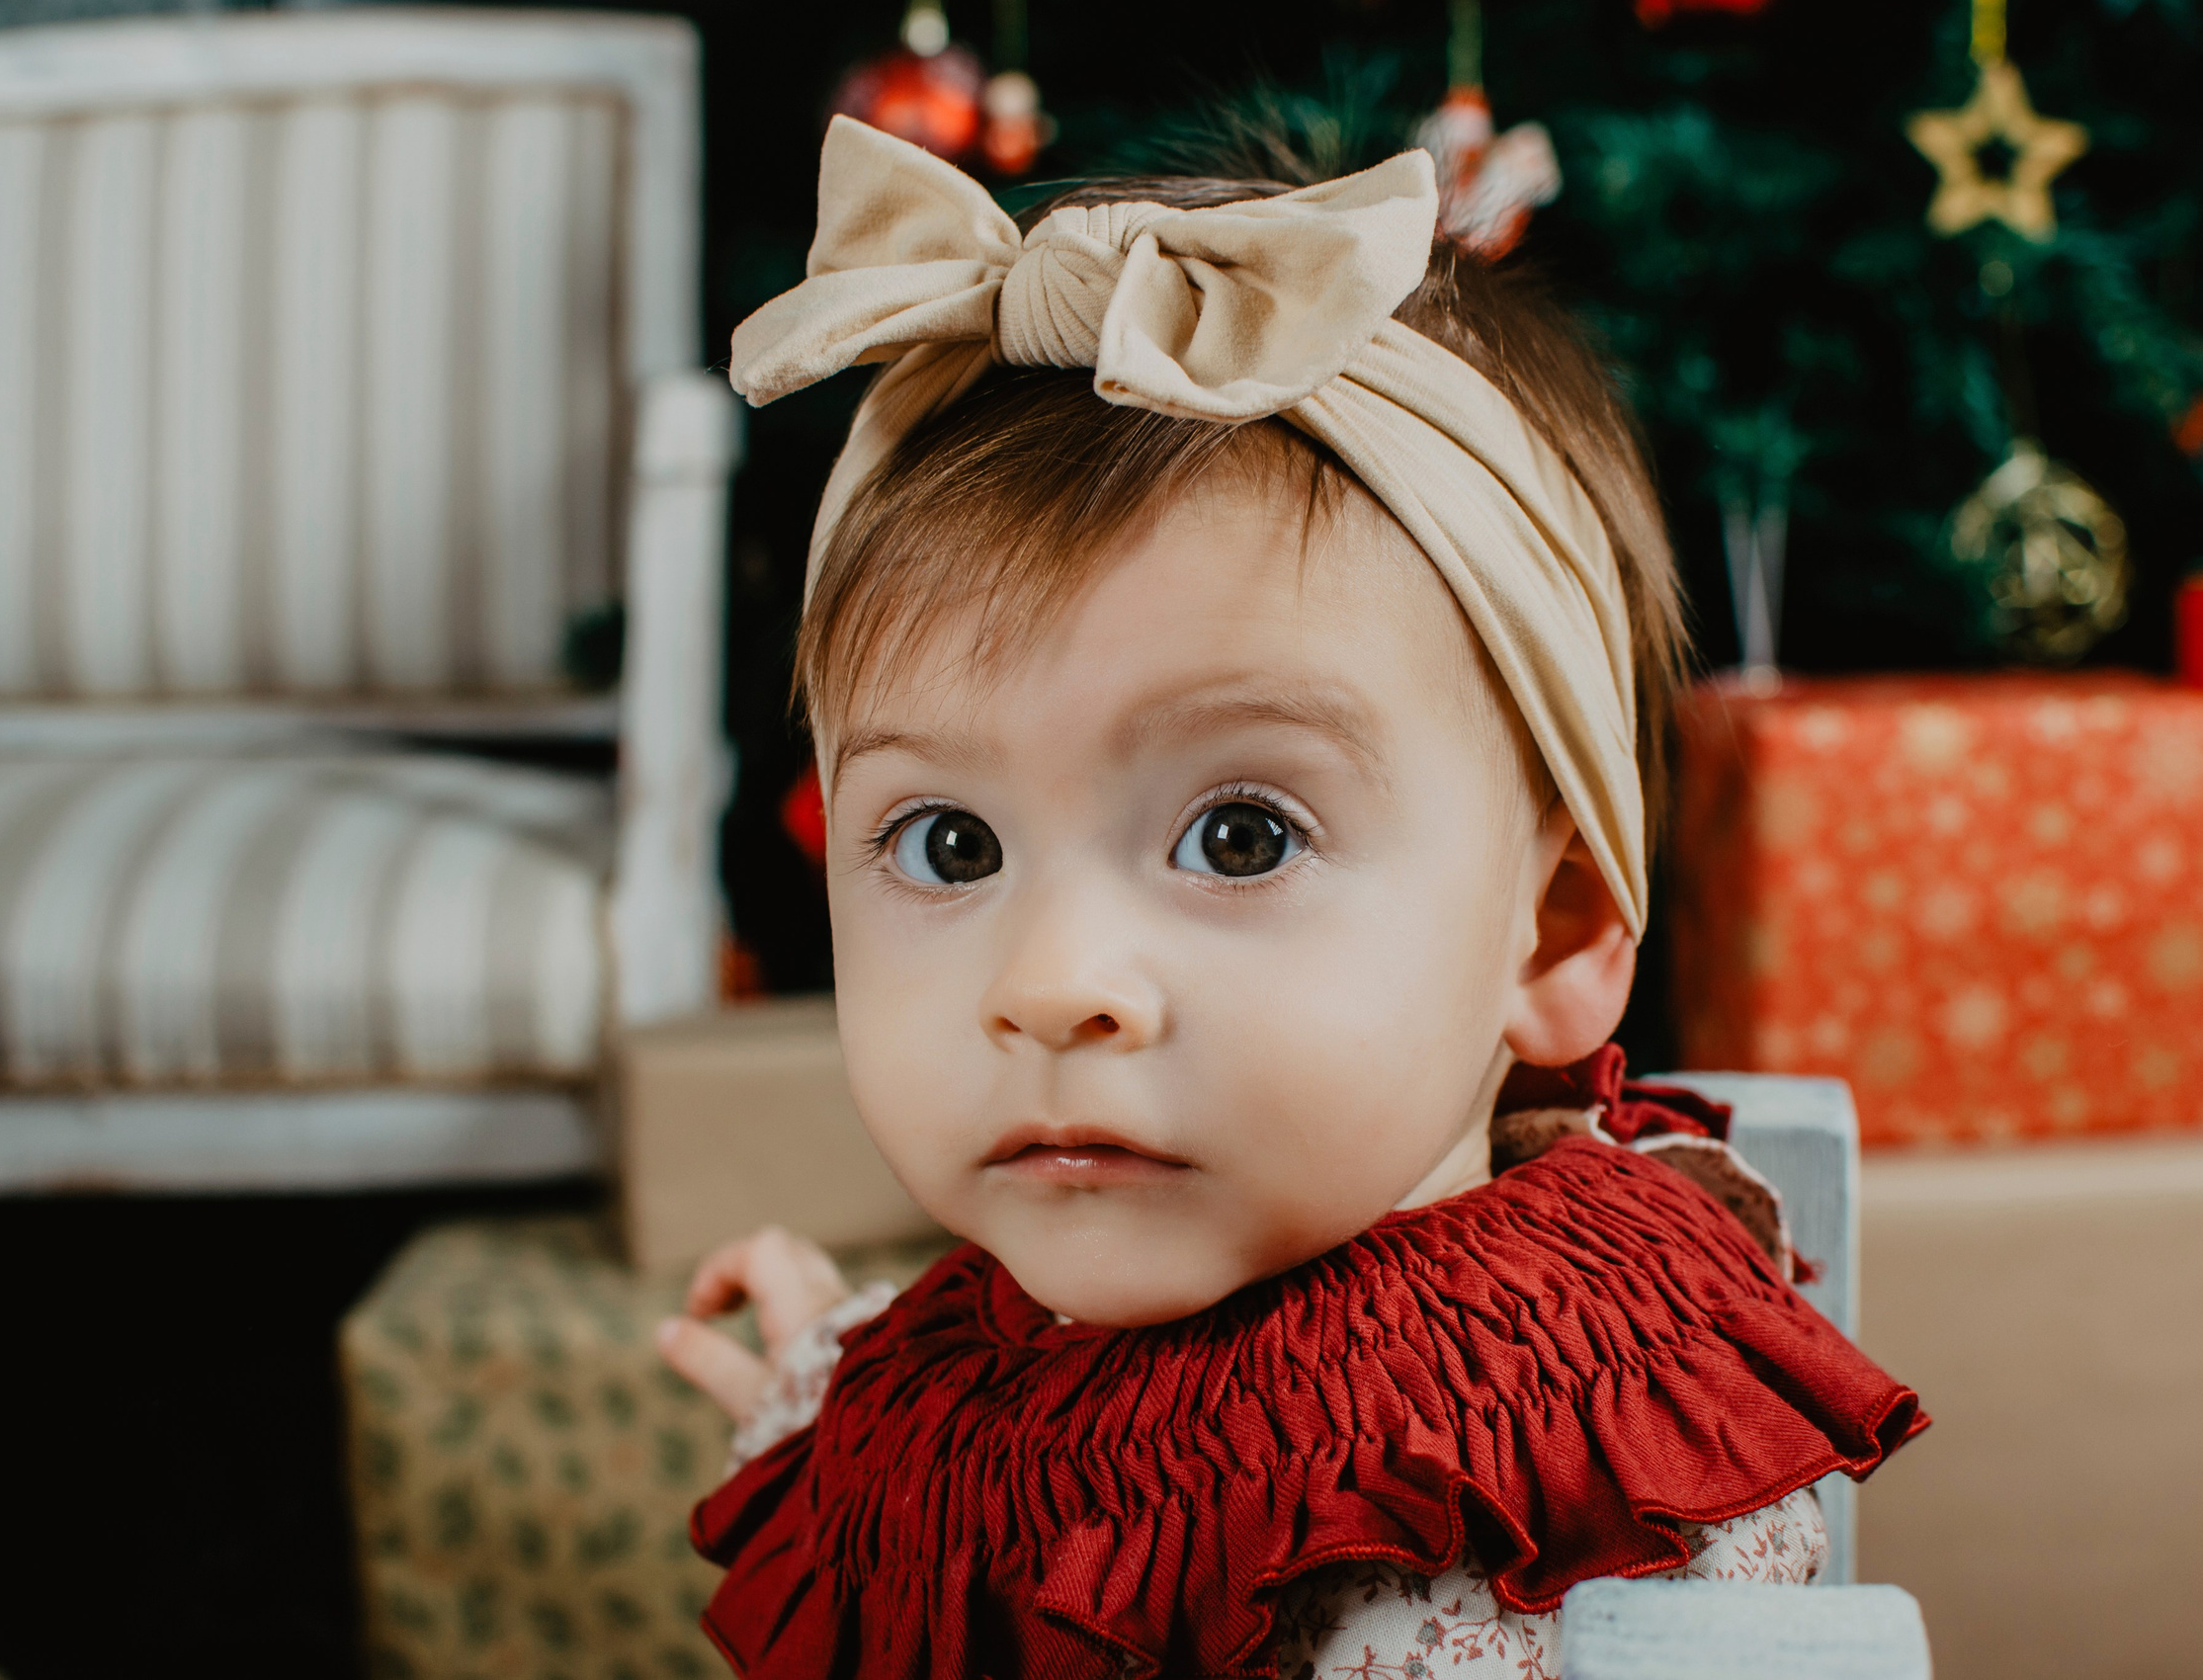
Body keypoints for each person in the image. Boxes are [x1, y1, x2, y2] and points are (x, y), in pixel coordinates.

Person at [657, 115, 1926, 1679]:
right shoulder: (1035, 1316)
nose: (1052, 982)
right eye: (950, 844)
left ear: (1555, 929)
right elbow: (1034, 1440)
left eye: (1242, 835)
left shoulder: (1539, 1464)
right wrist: (823, 1371)